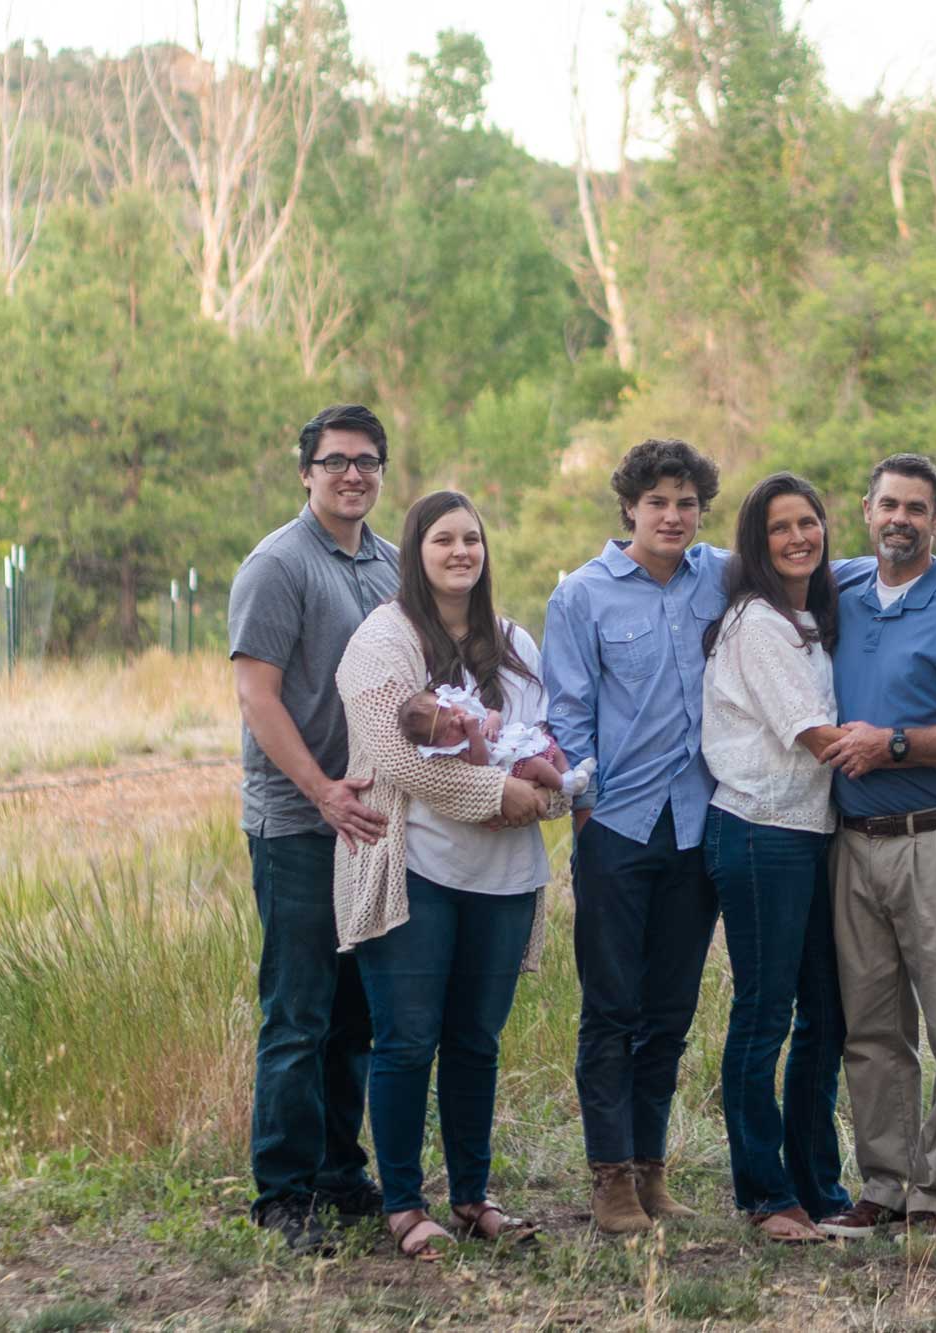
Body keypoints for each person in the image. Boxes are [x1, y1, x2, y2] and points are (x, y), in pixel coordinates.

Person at [331, 491, 559, 1258]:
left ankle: (471, 1196)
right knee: (406, 1039)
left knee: (476, 1041)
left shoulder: (513, 640)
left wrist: (541, 791)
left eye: (472, 538)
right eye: (443, 539)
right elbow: (397, 759)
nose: (461, 551)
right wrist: (500, 793)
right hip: (416, 869)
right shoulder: (383, 640)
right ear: (414, 551)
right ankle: (402, 1203)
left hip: (502, 877)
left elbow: (545, 742)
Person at [814, 453, 936, 1239]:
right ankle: (884, 1182)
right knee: (871, 1028)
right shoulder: (843, 590)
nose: (900, 517)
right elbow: (760, 566)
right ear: (866, 509)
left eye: (917, 508)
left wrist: (896, 744)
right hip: (854, 844)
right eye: (888, 504)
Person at [542, 438, 729, 1234]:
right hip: (618, 825)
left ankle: (652, 1170)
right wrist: (586, 819)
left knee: (671, 1009)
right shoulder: (581, 596)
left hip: (698, 826)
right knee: (612, 1009)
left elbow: (815, 567)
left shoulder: (719, 575)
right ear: (630, 507)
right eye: (658, 502)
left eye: (686, 502)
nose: (673, 515)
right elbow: (567, 716)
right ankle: (609, 1175)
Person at [228, 404, 398, 1252]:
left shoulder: (392, 564)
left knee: (357, 1013)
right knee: (299, 1013)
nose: (352, 474)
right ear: (307, 471)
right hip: (299, 822)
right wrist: (323, 790)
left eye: (367, 461)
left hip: (370, 823)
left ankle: (339, 1170)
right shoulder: (278, 564)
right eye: (335, 461)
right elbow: (258, 695)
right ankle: (283, 1193)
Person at [699, 472, 853, 1244]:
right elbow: (814, 731)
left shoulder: (809, 616)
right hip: (759, 832)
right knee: (764, 1015)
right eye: (780, 528)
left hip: (813, 833)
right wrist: (911, 756)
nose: (799, 537)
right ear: (756, 545)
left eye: (810, 522)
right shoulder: (756, 622)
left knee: (826, 1013)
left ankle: (819, 1182)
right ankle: (766, 1193)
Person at [398, 685, 592, 794]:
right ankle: (565, 787)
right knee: (539, 765)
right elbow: (480, 765)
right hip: (509, 764)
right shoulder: (457, 751)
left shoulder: (467, 708)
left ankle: (568, 773)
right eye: (448, 731)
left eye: (454, 713)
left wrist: (491, 720)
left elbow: (493, 713)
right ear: (436, 745)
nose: (458, 722)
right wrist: (474, 734)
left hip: (514, 742)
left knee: (547, 741)